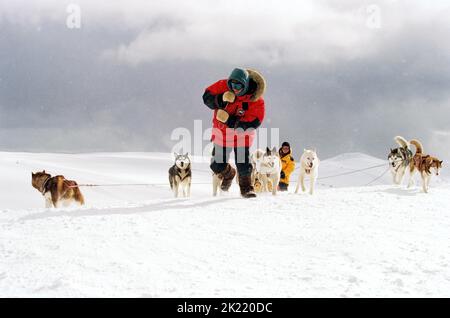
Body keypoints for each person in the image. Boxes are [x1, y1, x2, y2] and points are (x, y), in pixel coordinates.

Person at [202, 68, 266, 198]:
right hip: (221, 133)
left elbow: (254, 122)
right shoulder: (222, 86)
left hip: (242, 136)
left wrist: (230, 121)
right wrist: (219, 99)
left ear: (246, 84)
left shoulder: (255, 99)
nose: (234, 88)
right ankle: (229, 173)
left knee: (243, 163)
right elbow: (206, 97)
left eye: (238, 85)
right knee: (216, 165)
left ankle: (246, 189)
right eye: (232, 84)